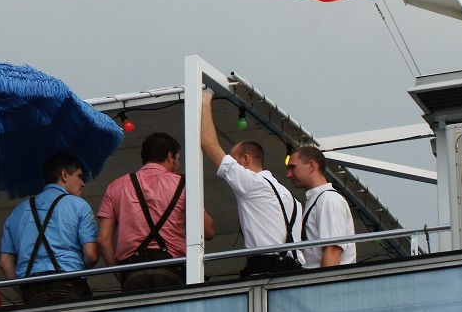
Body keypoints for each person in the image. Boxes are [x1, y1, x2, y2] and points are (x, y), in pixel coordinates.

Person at [199, 91, 302, 276]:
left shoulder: (251, 183)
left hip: (266, 268)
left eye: (233, 158)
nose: (229, 161)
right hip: (294, 268)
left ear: (246, 159)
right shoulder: (290, 197)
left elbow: (209, 144)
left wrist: (205, 101)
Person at [97, 129, 215, 289]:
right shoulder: (185, 183)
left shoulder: (116, 186)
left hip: (132, 271)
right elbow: (208, 231)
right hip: (172, 269)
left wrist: (122, 274)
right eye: (178, 159)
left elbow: (103, 240)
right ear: (169, 156)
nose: (178, 166)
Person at [0, 152, 98, 303]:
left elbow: (5, 263)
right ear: (64, 175)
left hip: (31, 289)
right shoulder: (79, 205)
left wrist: (23, 287)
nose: (83, 183)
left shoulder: (16, 212)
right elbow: (91, 255)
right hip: (70, 283)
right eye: (79, 176)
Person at [286, 145, 356, 269]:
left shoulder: (329, 200)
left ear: (311, 166)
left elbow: (333, 250)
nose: (288, 174)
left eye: (293, 167)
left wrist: (323, 286)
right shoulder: (319, 199)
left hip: (326, 284)